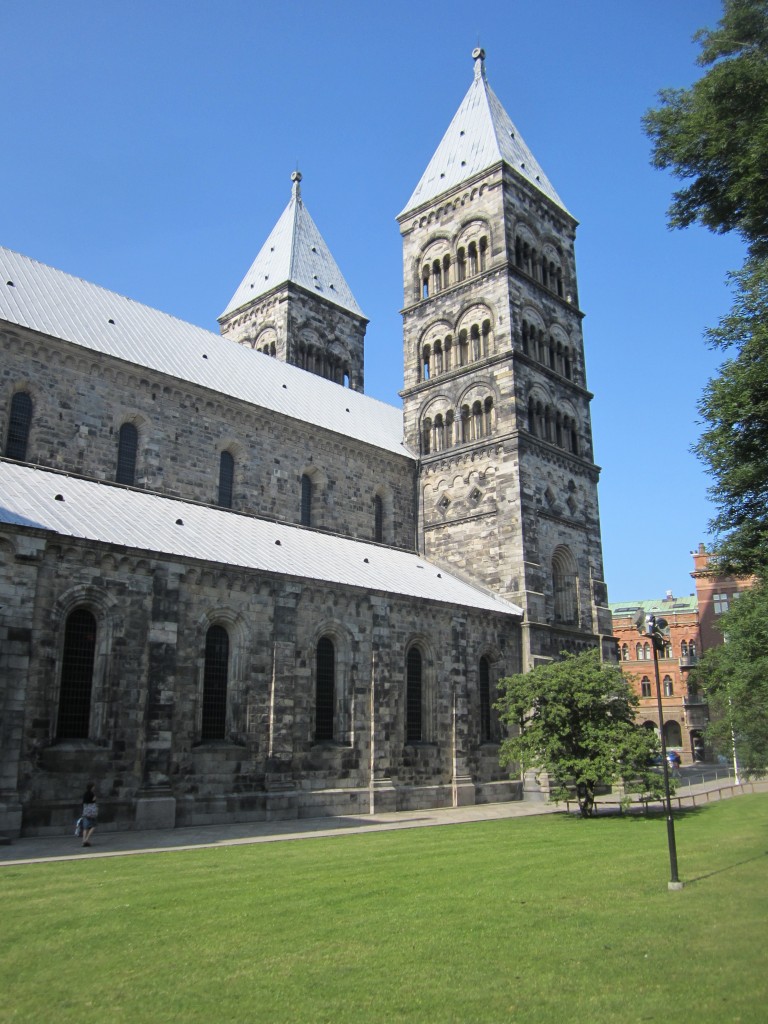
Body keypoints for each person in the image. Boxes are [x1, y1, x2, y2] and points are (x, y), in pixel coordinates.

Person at [81, 783, 98, 847]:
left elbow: (84, 802)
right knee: (93, 826)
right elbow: (93, 801)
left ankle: (83, 840)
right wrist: (94, 799)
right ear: (91, 787)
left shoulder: (85, 794)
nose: (94, 788)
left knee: (85, 828)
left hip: (85, 812)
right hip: (92, 812)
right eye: (93, 787)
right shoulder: (92, 794)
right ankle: (87, 839)